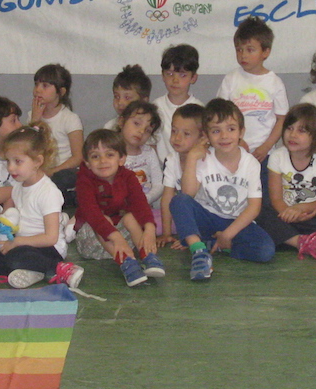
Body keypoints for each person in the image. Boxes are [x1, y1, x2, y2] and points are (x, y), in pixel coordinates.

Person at [170, 98, 276, 280]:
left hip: (236, 221)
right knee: (178, 201)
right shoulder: (205, 158)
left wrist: (227, 234)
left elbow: (253, 208)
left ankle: (216, 244)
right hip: (207, 218)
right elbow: (187, 195)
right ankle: (199, 251)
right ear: (207, 135)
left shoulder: (250, 163)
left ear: (241, 132)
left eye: (231, 129)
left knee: (265, 250)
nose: (224, 136)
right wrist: (192, 159)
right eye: (216, 131)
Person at [0, 124, 84, 290]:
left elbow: (50, 238)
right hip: (23, 243)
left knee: (15, 258)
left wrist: (17, 242)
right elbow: (9, 216)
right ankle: (35, 272)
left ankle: (60, 268)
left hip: (47, 249)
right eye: (8, 161)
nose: (11, 168)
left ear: (38, 161)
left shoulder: (48, 192)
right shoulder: (18, 186)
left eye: (18, 161)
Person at [73, 129, 165, 286]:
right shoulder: (84, 182)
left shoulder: (128, 177)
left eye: (109, 155)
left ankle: (146, 255)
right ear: (87, 163)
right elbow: (93, 216)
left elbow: (140, 204)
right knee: (104, 218)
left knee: (130, 216)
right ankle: (126, 263)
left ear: (121, 159)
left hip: (125, 242)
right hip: (92, 241)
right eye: (95, 157)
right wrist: (116, 238)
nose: (103, 161)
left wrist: (150, 229)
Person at [256, 103, 316, 259]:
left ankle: (283, 237)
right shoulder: (277, 157)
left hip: (307, 216)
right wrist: (288, 213)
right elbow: (276, 199)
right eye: (289, 128)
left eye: (301, 131)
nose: (292, 135)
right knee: (259, 210)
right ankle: (299, 241)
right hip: (282, 213)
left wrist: (301, 209)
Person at [217, 16, 287, 162]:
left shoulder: (274, 82)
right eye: (239, 50)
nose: (243, 55)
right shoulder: (230, 79)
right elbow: (219, 114)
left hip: (264, 154)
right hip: (233, 150)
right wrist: (235, 142)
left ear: (265, 52)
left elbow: (282, 119)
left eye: (250, 50)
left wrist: (266, 146)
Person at [31, 63, 84, 196]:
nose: (38, 90)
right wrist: (35, 121)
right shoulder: (31, 116)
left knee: (63, 179)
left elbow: (78, 157)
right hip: (39, 170)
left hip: (63, 171)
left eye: (45, 86)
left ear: (61, 92)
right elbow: (27, 148)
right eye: (36, 84)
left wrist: (53, 171)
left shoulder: (70, 118)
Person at [158, 103, 206, 249]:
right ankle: (191, 236)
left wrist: (188, 234)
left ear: (202, 137)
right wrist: (167, 234)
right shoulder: (172, 159)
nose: (177, 138)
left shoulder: (207, 160)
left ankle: (194, 240)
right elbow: (167, 197)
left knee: (183, 199)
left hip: (210, 217)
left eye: (186, 134)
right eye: (174, 131)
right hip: (190, 216)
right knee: (178, 201)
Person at [153, 43, 203, 163]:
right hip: (162, 169)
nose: (175, 80)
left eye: (182, 75)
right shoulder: (155, 107)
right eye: (170, 74)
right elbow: (151, 144)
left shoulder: (199, 109)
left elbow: (203, 143)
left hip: (191, 166)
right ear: (163, 75)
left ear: (193, 78)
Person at [117, 100, 163, 211]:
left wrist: (146, 199)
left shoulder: (149, 153)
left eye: (147, 130)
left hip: (144, 208)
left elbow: (159, 184)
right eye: (137, 123)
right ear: (121, 122)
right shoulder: (110, 152)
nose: (141, 131)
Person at [104, 64, 153, 130]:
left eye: (127, 97)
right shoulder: (109, 127)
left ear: (144, 101)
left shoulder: (149, 128)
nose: (120, 102)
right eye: (117, 96)